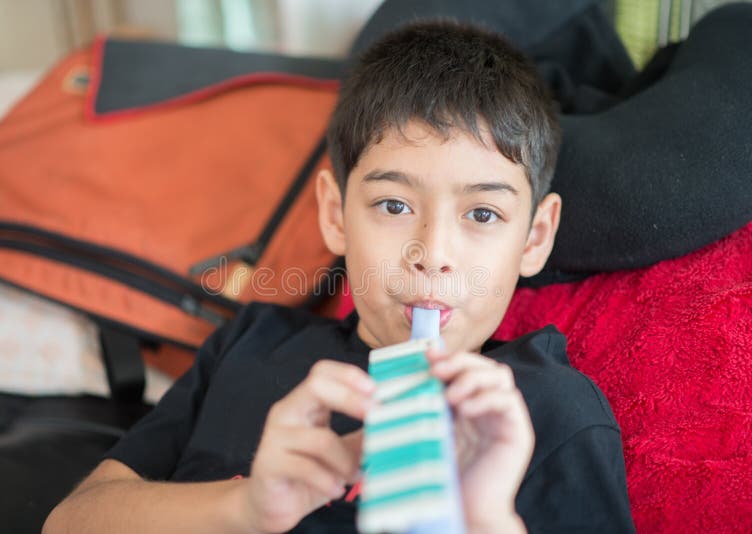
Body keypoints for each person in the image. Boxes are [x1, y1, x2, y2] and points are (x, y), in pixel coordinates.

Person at [44, 19, 634, 534]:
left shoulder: (544, 410)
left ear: (533, 237)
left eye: (482, 214)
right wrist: (247, 509)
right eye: (394, 206)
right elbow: (70, 521)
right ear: (335, 215)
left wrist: (484, 523)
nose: (432, 254)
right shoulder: (249, 346)